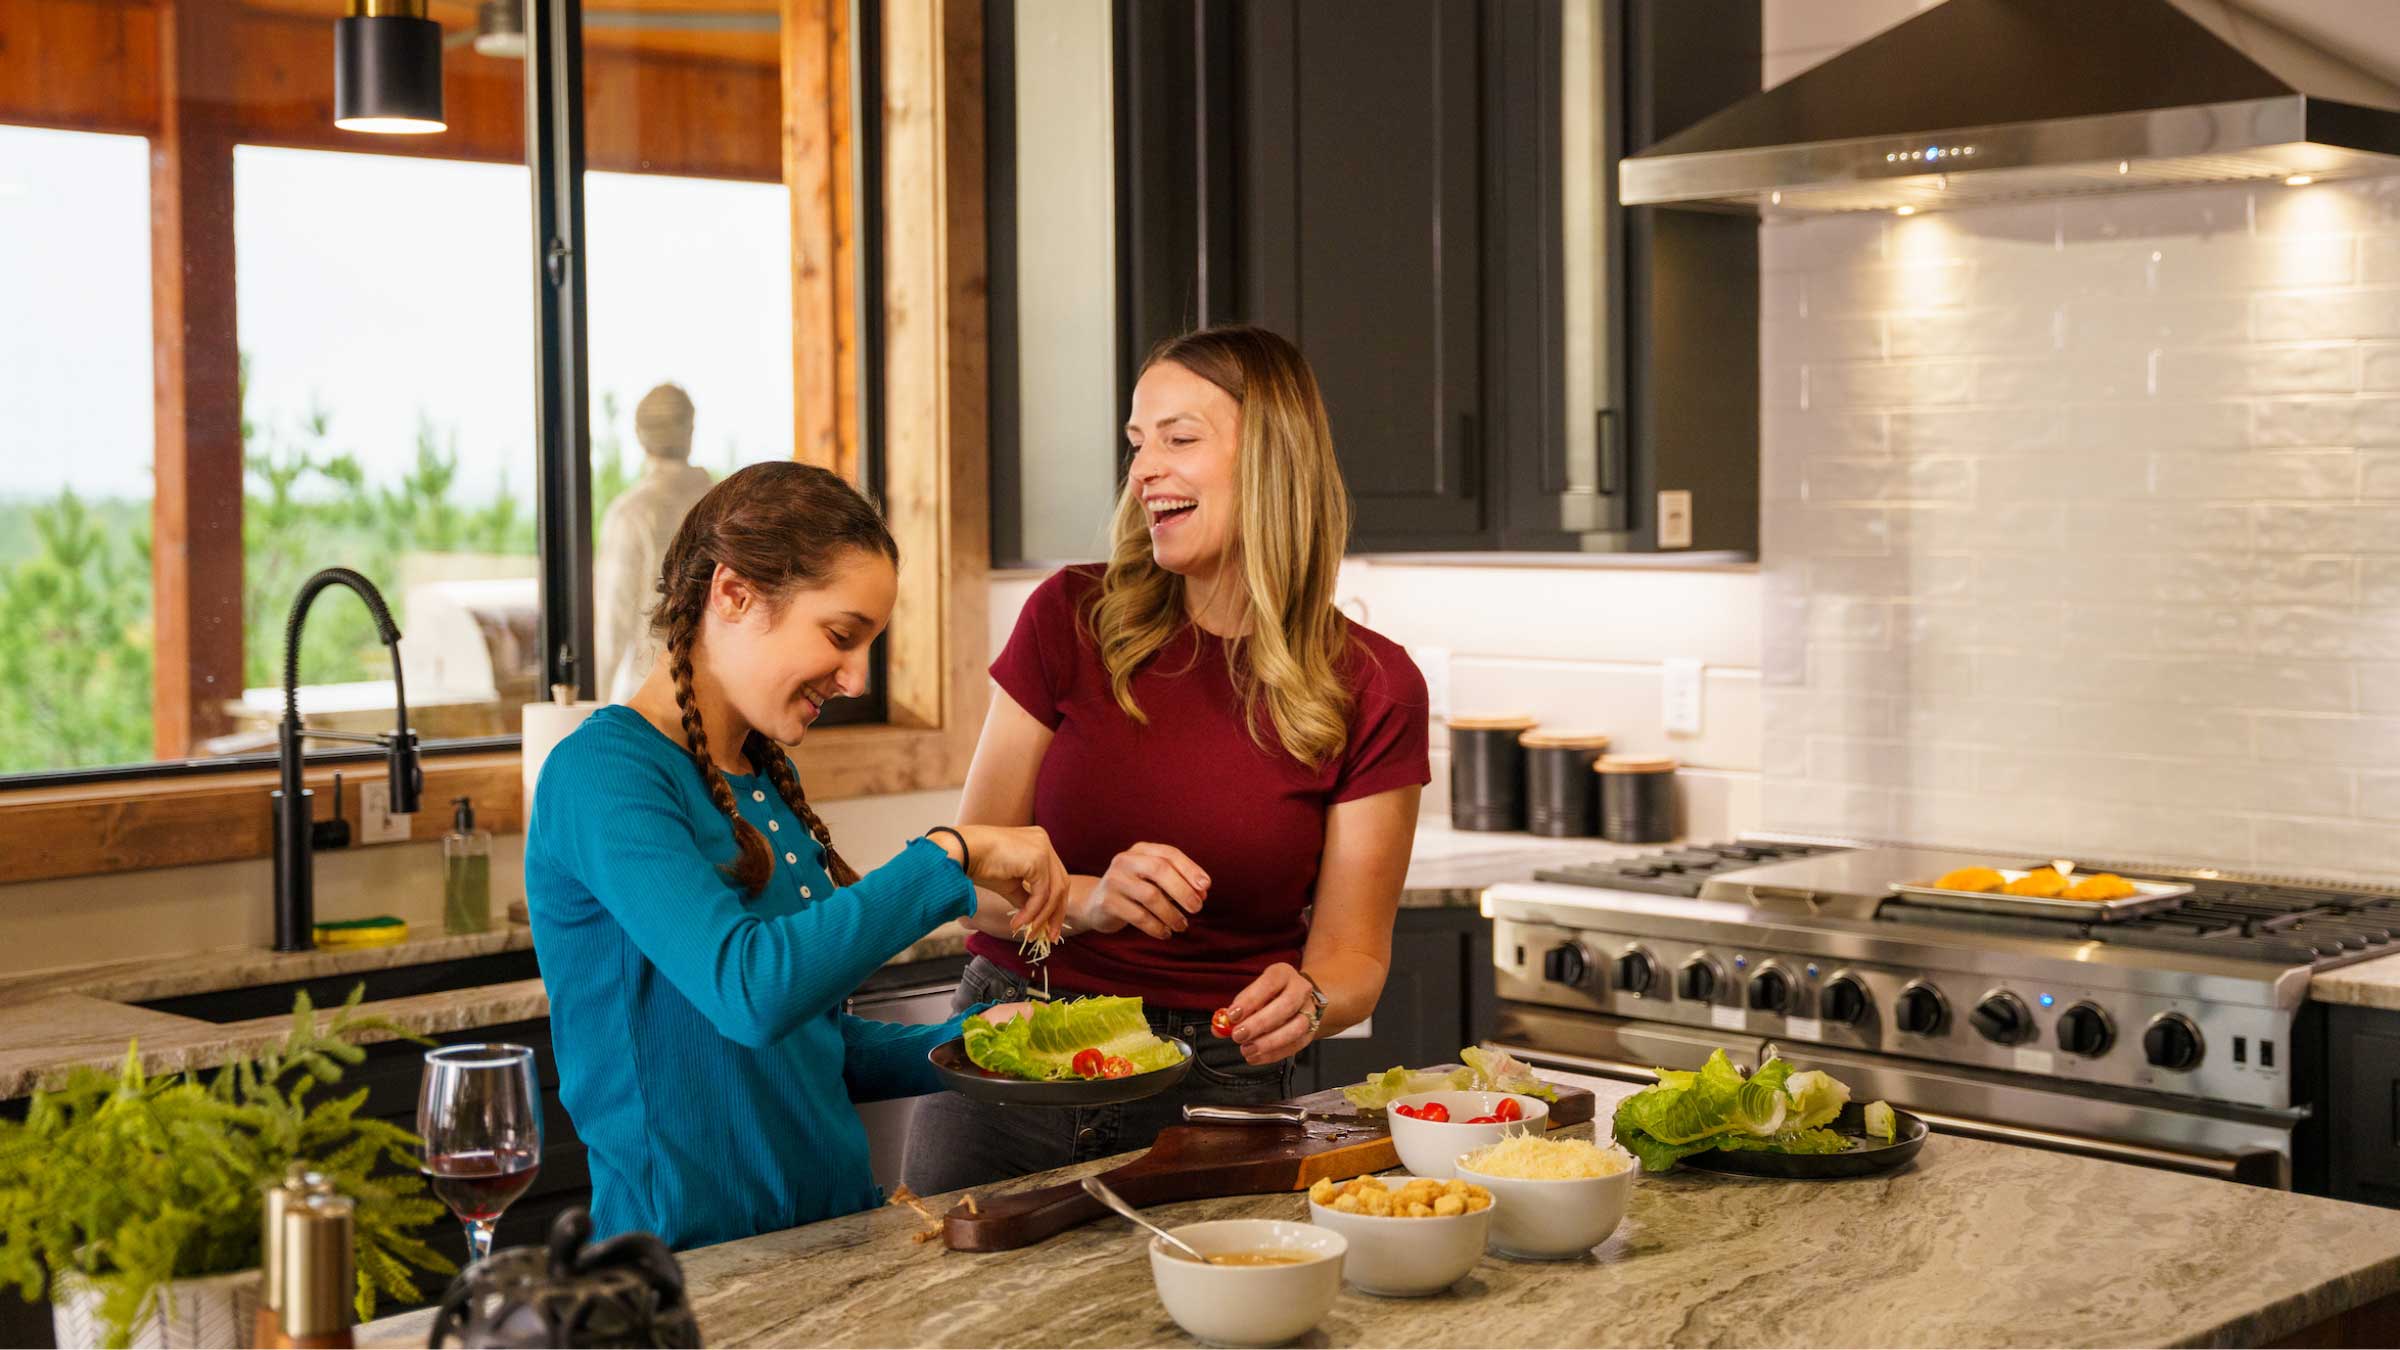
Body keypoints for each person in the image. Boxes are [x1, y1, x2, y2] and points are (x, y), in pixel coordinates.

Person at [903, 325, 1429, 1193]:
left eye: (1180, 439)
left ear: (1274, 458)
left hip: (1219, 1088)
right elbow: (963, 876)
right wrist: (1090, 900)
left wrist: (1308, 1003)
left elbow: (1352, 961)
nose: (1145, 470)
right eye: (1138, 444)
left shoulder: (1373, 685)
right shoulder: (1069, 617)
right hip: (1013, 1060)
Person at [526, 461, 1068, 1248]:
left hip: (831, 1245)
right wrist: (946, 858)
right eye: (842, 636)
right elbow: (753, 992)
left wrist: (979, 1041)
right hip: (689, 1277)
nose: (856, 677)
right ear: (734, 594)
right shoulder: (605, 775)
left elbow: (810, 1046)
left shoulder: (756, 775)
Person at [595, 383, 717, 703]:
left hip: (651, 696)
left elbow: (612, 626)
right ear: (691, 429)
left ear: (639, 434)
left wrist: (592, 712)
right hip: (723, 691)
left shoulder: (630, 513)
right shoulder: (724, 506)